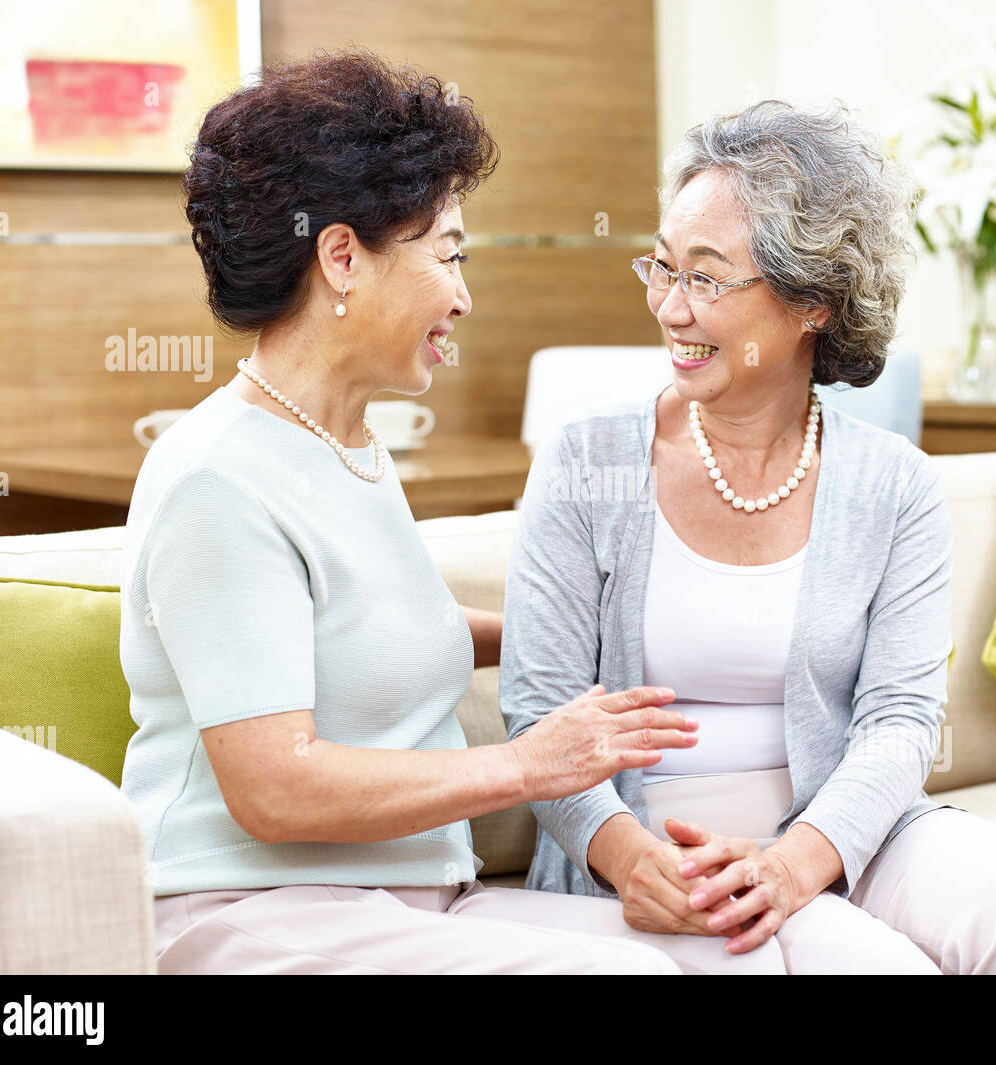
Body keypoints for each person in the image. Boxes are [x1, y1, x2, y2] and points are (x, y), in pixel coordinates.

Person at [119, 47, 769, 975]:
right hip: (247, 911)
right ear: (342, 255)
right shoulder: (216, 478)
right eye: (448, 253)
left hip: (410, 904)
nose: (463, 296)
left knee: (740, 955)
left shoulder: (347, 444)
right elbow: (275, 787)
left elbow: (375, 630)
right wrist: (534, 763)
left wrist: (589, 627)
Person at [499, 99, 996, 974]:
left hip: (843, 827)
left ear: (812, 303)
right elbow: (538, 703)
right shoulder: (586, 461)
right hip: (655, 847)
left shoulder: (892, 482)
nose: (669, 307)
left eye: (707, 278)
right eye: (662, 268)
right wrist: (629, 856)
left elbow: (901, 719)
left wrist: (795, 862)